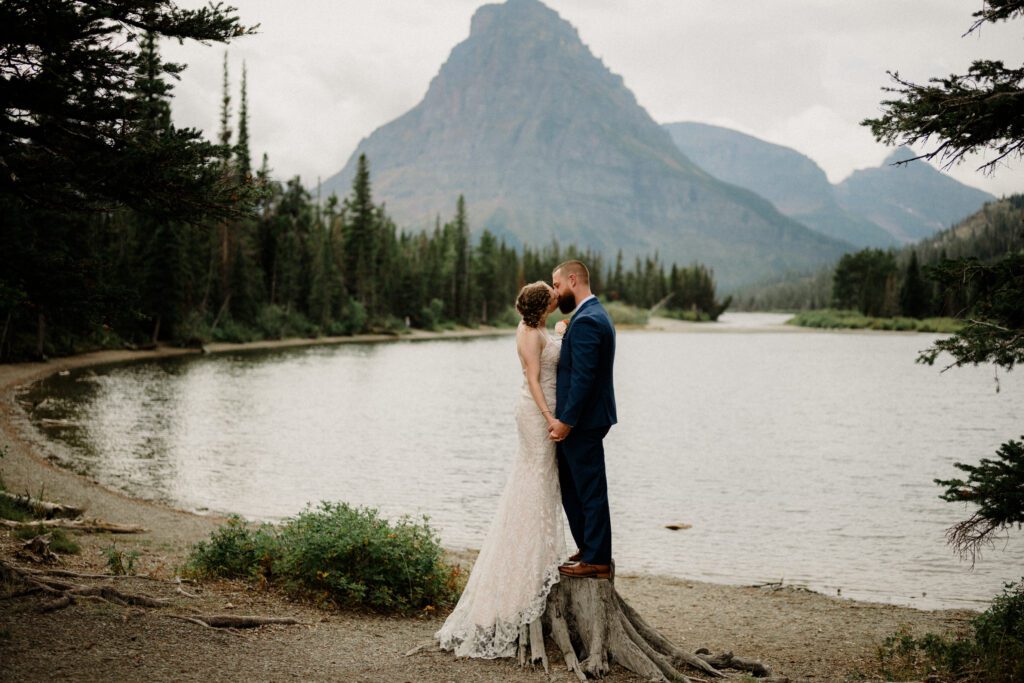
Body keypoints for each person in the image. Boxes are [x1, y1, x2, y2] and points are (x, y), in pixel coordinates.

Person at [435, 281, 567, 659]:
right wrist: (549, 417)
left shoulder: (540, 328)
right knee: (534, 484)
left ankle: (539, 557)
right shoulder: (528, 334)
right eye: (553, 296)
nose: (558, 298)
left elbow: (548, 347)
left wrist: (559, 332)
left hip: (546, 412)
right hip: (537, 414)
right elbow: (531, 377)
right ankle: (525, 573)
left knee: (540, 485)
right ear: (543, 305)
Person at [548, 260, 617, 579]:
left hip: (584, 421)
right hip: (586, 419)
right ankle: (590, 548)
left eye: (558, 284)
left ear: (572, 280)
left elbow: (584, 378)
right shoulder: (589, 315)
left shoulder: (589, 320)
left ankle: (598, 559)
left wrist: (567, 420)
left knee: (588, 488)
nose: (556, 291)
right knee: (573, 485)